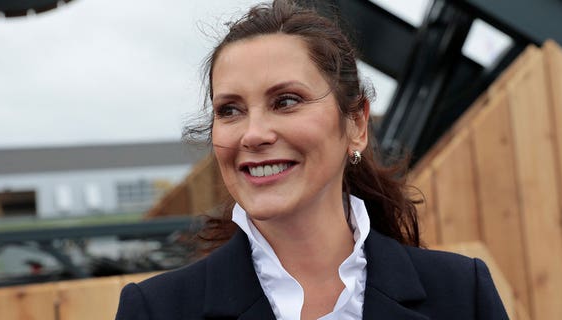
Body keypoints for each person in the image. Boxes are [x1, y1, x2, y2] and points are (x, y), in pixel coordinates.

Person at [115, 1, 508, 319]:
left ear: (355, 123)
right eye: (230, 110)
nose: (253, 134)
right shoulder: (155, 310)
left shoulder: (460, 293)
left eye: (286, 101)